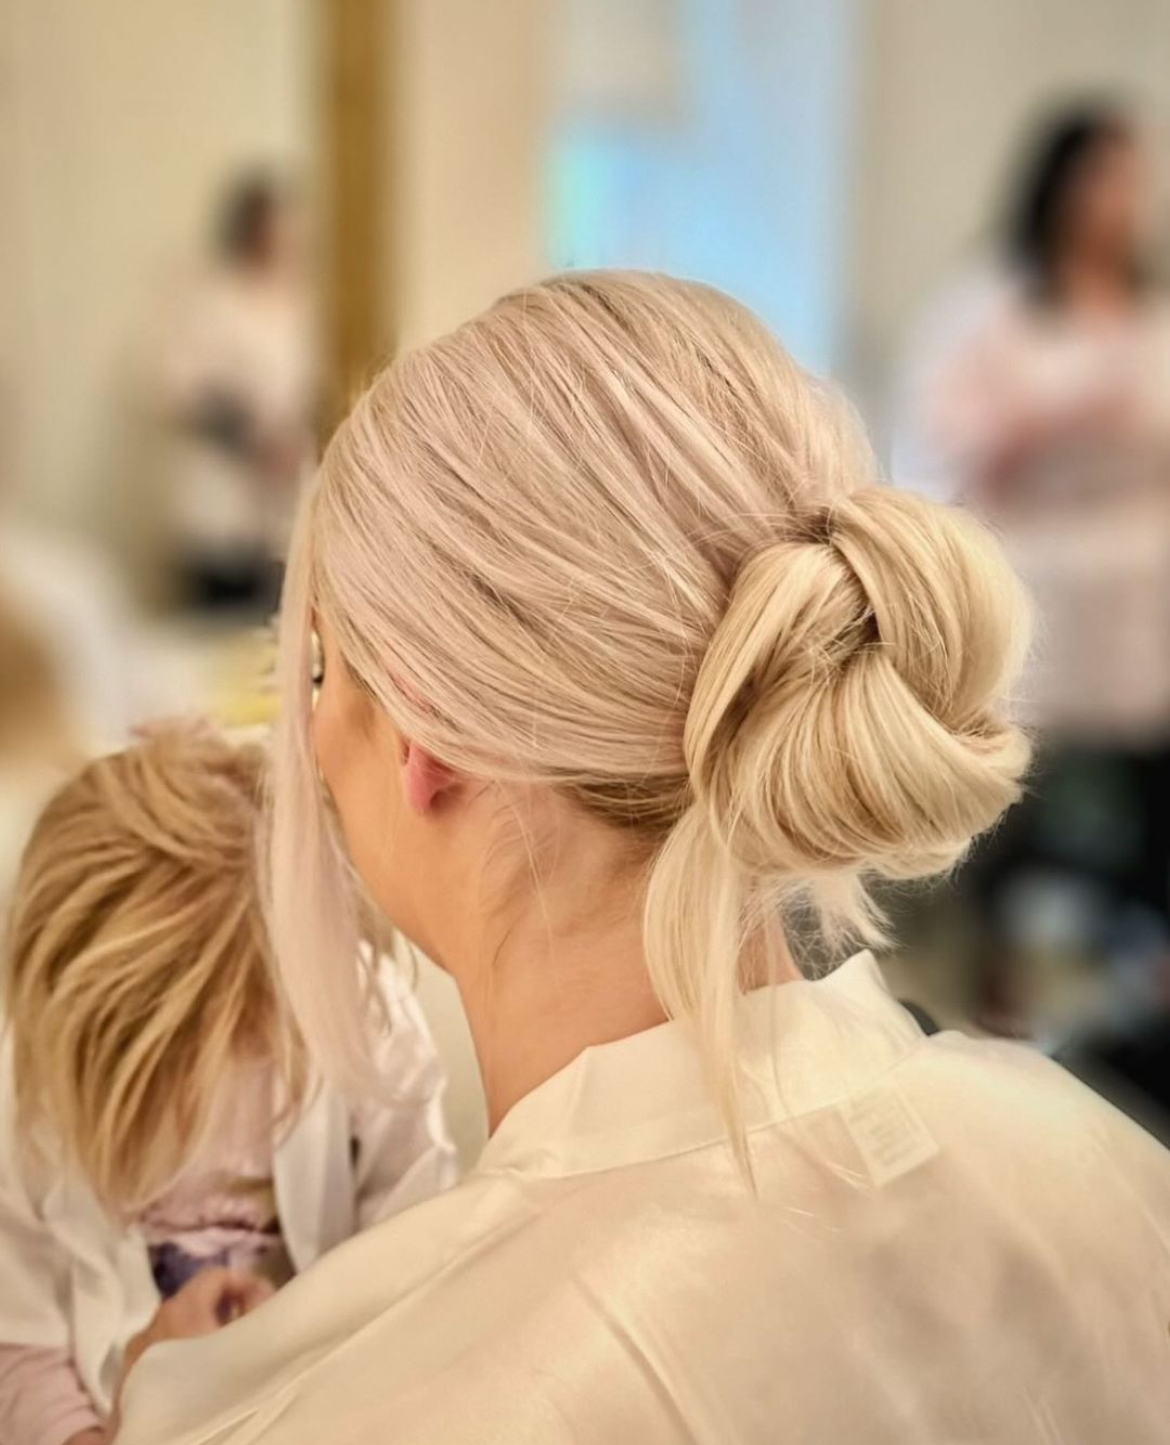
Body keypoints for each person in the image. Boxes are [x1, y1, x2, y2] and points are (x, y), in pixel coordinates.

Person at [117, 273, 1170, 1445]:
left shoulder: (363, 1406)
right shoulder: (1097, 1163)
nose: (310, 734)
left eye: (321, 672)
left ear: (425, 735)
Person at [0, 723, 456, 1445]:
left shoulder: (361, 1019)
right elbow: (20, 1348)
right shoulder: (27, 1092)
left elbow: (421, 1265)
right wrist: (126, 1421)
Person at [896, 104, 1170, 1031]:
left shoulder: (1151, 307)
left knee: (1145, 802)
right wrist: (1050, 416)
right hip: (1038, 584)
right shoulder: (993, 305)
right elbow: (937, 448)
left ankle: (1137, 982)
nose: (1120, 201)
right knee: (1018, 795)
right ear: (1056, 183)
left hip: (1143, 599)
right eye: (1103, 176)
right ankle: (995, 977)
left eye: (1132, 178)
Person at [143, 172, 318, 614]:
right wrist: (255, 443)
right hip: (219, 503)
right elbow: (184, 391)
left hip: (281, 500)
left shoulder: (296, 301)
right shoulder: (205, 299)